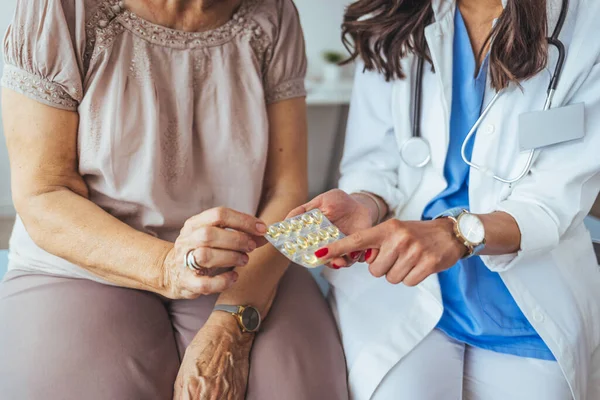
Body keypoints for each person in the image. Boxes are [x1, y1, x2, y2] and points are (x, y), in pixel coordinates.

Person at [0, 0, 348, 399]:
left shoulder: (274, 14)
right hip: (83, 261)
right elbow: (44, 192)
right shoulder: (62, 8)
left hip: (244, 261)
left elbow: (285, 191)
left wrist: (231, 323)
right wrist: (169, 267)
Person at [289, 0, 600, 398]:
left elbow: (552, 200)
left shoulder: (585, 22)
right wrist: (364, 203)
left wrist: (456, 233)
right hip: (404, 284)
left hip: (527, 297)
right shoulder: (391, 16)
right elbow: (378, 163)